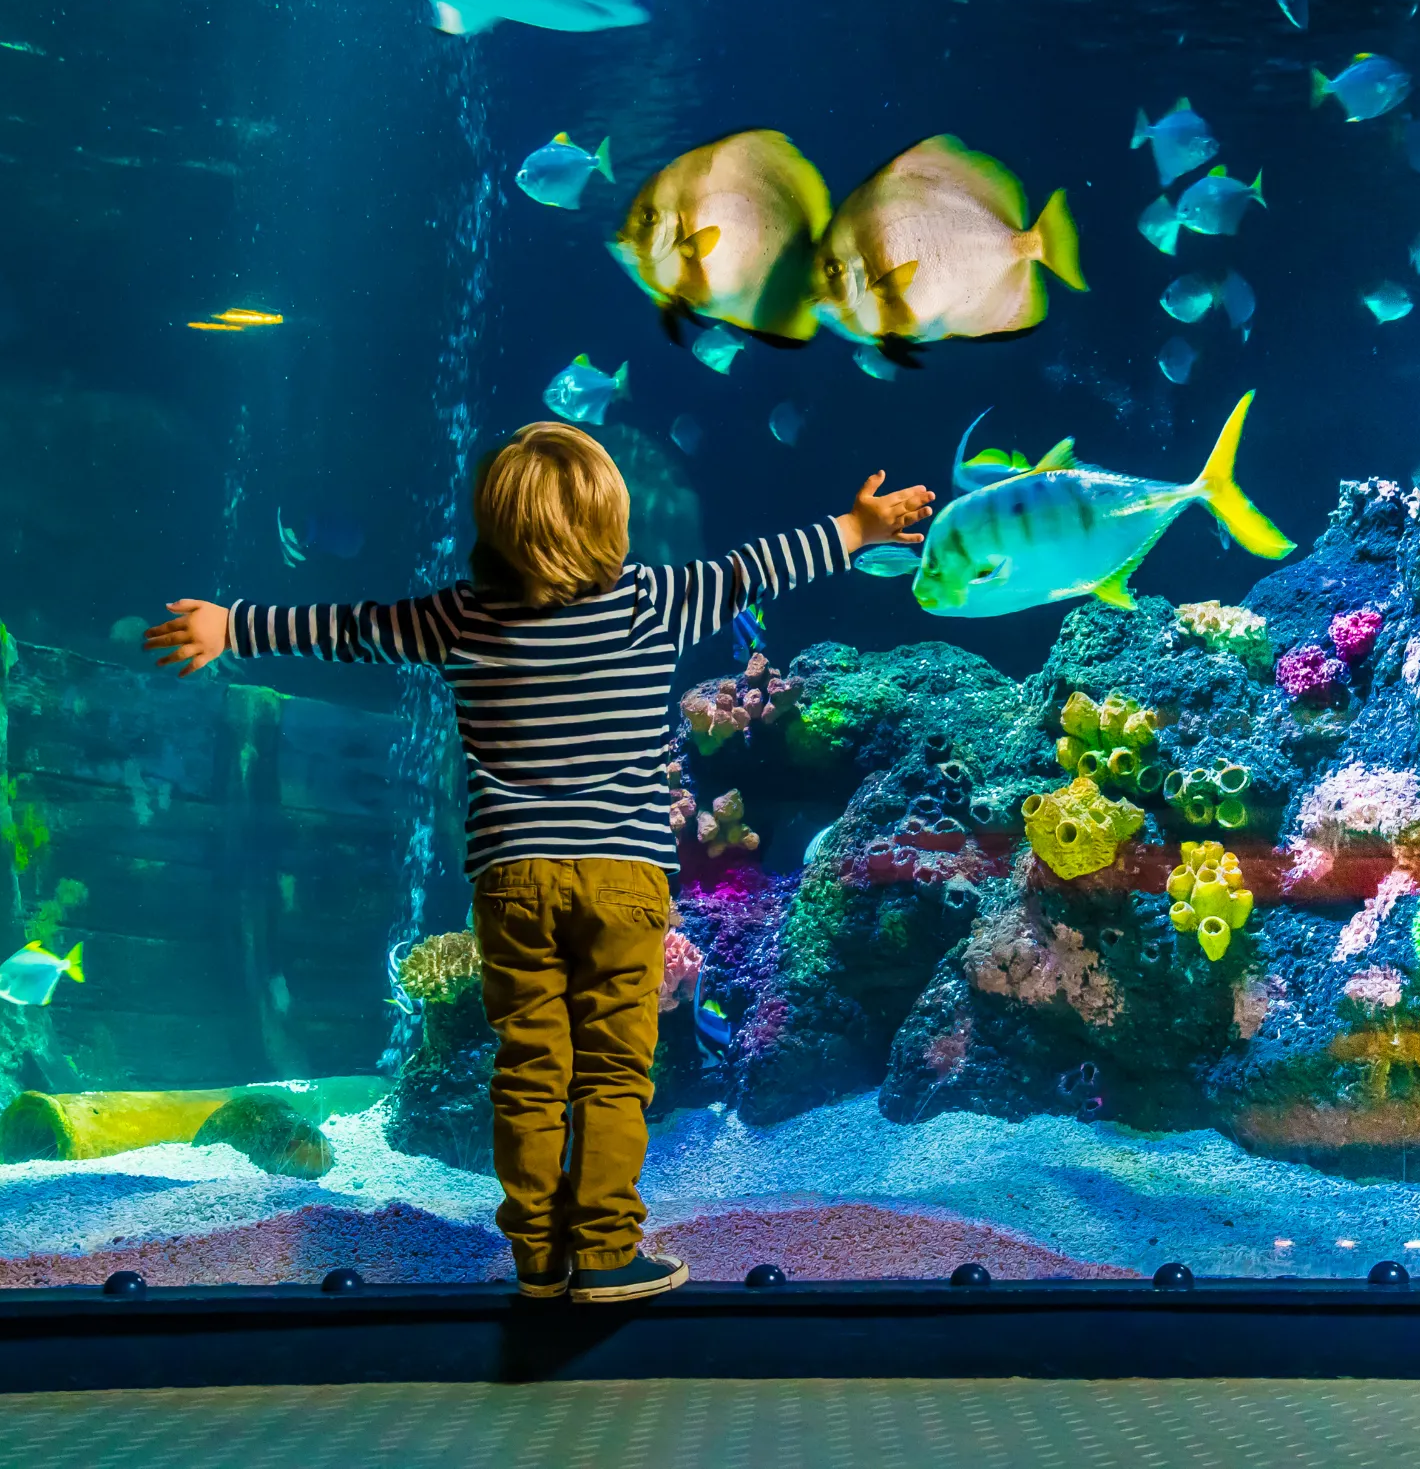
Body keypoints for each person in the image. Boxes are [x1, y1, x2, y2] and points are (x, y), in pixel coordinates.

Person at [143, 421, 932, 1302]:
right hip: (624, 878)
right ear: (610, 523)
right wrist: (859, 527)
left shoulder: (464, 615)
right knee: (614, 1064)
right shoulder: (655, 601)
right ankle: (601, 1249)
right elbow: (758, 566)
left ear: (495, 528)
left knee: (529, 1061)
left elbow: (353, 628)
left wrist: (234, 625)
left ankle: (534, 1252)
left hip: (513, 878)